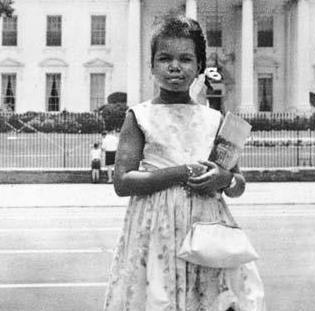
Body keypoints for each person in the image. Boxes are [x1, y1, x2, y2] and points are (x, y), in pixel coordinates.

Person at [103, 12, 265, 311]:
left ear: (200, 67)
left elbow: (237, 184)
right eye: (165, 58)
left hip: (207, 231)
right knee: (160, 298)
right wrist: (181, 172)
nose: (175, 66)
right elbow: (123, 182)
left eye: (186, 59)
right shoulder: (139, 116)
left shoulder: (216, 120)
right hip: (155, 231)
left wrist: (224, 178)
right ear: (152, 65)